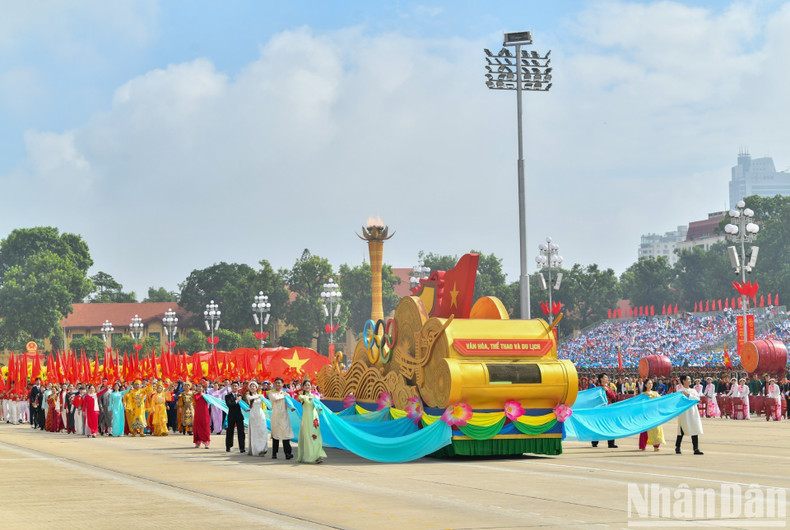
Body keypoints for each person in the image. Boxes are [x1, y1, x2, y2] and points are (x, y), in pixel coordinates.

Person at [297, 379, 326, 464]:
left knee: (316, 436)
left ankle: (318, 455)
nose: (307, 386)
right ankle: (310, 455)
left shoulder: (315, 396)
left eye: (308, 385)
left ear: (311, 386)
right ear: (303, 387)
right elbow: (301, 398)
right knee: (307, 437)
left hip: (314, 419)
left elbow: (318, 401)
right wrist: (309, 397)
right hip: (306, 419)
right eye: (305, 385)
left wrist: (313, 396)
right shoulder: (301, 396)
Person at [675, 374, 703, 455]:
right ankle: (677, 447)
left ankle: (696, 448)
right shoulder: (680, 391)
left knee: (694, 428)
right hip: (684, 413)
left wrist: (688, 395)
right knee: (681, 430)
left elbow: (698, 399)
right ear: (684, 381)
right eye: (688, 379)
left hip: (693, 412)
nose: (690, 381)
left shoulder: (693, 390)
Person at [269, 377, 294, 459]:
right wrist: (284, 395)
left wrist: (292, 407)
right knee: (275, 435)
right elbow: (276, 398)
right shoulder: (272, 393)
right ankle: (274, 453)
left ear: (282, 384)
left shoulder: (286, 394)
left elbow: (290, 403)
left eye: (279, 383)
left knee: (285, 435)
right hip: (275, 416)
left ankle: (287, 453)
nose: (277, 384)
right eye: (276, 383)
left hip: (284, 416)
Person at [591, 373, 618, 448]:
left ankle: (611, 443)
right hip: (600, 410)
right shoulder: (597, 388)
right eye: (605, 377)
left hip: (608, 409)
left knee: (610, 425)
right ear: (601, 379)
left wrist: (607, 390)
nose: (607, 378)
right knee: (598, 425)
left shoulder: (608, 387)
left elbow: (613, 396)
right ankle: (594, 442)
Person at [638, 379, 665, 451]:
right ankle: (643, 446)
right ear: (645, 385)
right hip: (646, 415)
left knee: (656, 430)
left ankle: (656, 446)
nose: (650, 385)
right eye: (649, 383)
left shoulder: (655, 393)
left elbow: (662, 400)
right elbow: (640, 405)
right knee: (644, 431)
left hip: (654, 415)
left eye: (651, 383)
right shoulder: (643, 394)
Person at [245, 382, 269, 457]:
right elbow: (251, 398)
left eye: (254, 386)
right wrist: (259, 396)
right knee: (255, 432)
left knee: (262, 431)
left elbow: (266, 402)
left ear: (256, 388)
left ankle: (262, 448)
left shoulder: (260, 396)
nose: (252, 388)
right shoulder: (248, 396)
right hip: (253, 415)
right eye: (251, 386)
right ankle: (256, 450)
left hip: (260, 414)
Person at [224, 381, 246, 453]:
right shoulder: (227, 396)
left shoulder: (241, 396)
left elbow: (244, 405)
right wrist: (237, 401)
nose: (234, 387)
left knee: (241, 432)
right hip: (231, 416)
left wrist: (247, 409)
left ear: (238, 387)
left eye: (236, 386)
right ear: (231, 387)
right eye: (233, 386)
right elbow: (230, 405)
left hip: (239, 416)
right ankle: (228, 446)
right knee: (230, 432)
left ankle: (242, 448)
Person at [193, 383, 211, 448]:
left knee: (205, 427)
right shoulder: (195, 395)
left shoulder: (206, 396)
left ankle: (206, 442)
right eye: (198, 387)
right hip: (198, 413)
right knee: (197, 427)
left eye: (201, 387)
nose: (199, 388)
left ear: (203, 388)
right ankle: (197, 443)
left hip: (205, 413)